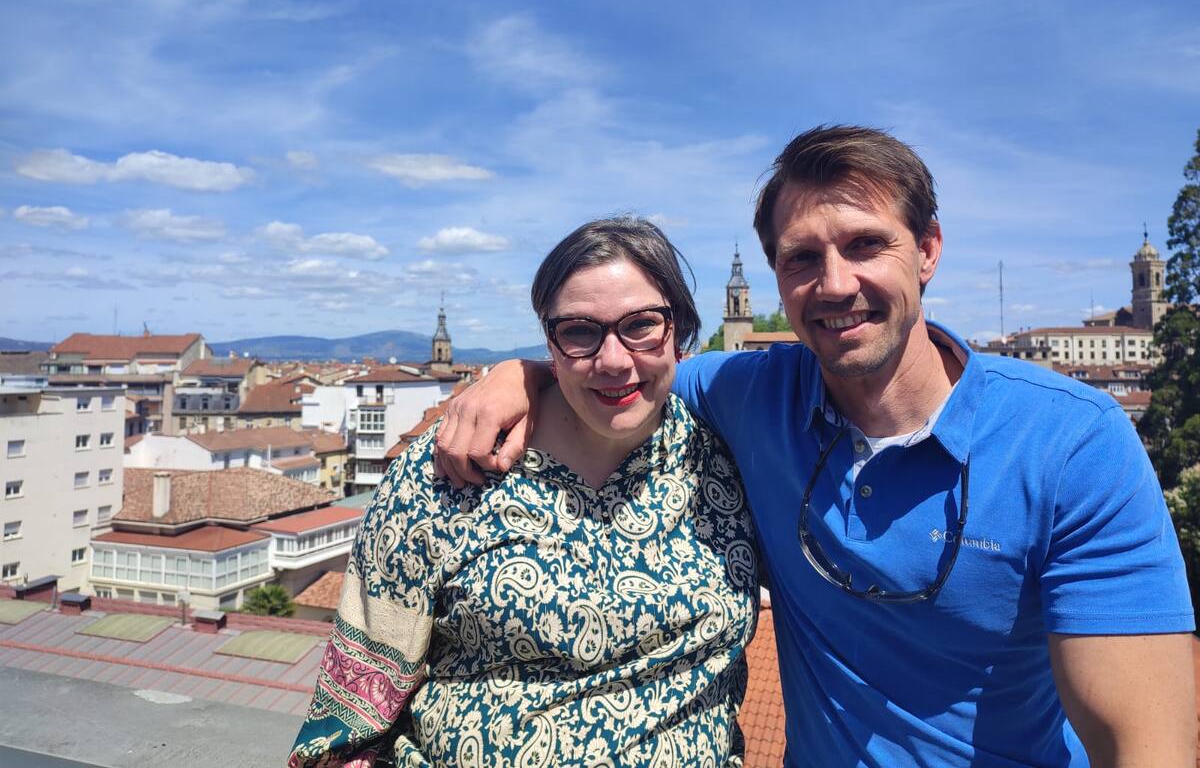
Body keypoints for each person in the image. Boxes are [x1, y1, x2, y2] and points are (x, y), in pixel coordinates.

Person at [435, 125, 1197, 766]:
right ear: (775, 274)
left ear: (927, 250)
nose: (835, 284)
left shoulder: (1071, 442)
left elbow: (1145, 739)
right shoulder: (748, 394)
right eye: (802, 257)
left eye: (866, 244)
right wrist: (518, 374)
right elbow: (625, 373)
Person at [290, 217, 759, 767]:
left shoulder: (730, 457)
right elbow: (352, 713)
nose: (612, 359)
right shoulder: (449, 468)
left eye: (641, 325)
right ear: (551, 343)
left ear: (679, 332)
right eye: (580, 330)